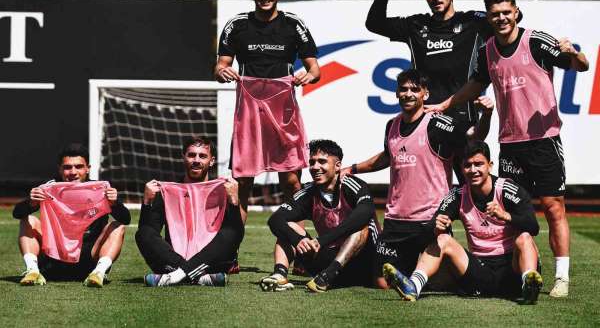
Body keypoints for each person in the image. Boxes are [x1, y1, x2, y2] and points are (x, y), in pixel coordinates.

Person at [428, 0, 589, 297]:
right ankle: (520, 272)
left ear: (516, 12)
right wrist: (446, 104)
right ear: (489, 18)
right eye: (495, 14)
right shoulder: (487, 50)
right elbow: (475, 85)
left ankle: (562, 278)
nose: (501, 18)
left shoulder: (536, 41)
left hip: (544, 140)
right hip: (510, 145)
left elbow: (580, 66)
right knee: (510, 211)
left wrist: (574, 53)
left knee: (553, 207)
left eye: (506, 12)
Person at [343, 69, 493, 282]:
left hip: (430, 220)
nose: (408, 94)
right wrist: (352, 168)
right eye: (403, 89)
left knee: (438, 282)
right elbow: (388, 156)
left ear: (425, 94)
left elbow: (475, 138)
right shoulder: (392, 125)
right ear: (396, 93)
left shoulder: (438, 125)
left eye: (415, 89)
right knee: (382, 282)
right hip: (395, 220)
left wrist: (486, 115)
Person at [365, 0, 516, 182]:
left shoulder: (472, 22)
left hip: (463, 118)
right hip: (426, 119)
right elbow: (374, 23)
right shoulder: (416, 25)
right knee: (427, 186)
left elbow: (511, 16)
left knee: (471, 187)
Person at [215, 0, 321, 222]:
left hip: (284, 112)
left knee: (292, 180)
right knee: (242, 182)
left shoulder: (293, 24)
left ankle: (297, 243)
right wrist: (222, 71)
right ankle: (232, 245)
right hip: (249, 113)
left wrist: (309, 76)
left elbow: (315, 69)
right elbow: (220, 67)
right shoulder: (236, 25)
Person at [383, 140, 543, 304]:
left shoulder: (508, 190)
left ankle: (529, 285)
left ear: (490, 166)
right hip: (480, 270)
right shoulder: (458, 195)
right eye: (467, 165)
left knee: (524, 237)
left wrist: (505, 216)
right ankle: (413, 286)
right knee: (443, 239)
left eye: (478, 164)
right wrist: (436, 228)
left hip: (512, 269)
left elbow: (533, 226)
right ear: (461, 168)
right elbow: (427, 233)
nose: (473, 170)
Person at [261, 139, 382, 293]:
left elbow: (365, 213)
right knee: (288, 227)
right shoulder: (308, 192)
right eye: (312, 162)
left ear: (337, 166)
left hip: (364, 262)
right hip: (326, 261)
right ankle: (279, 275)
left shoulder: (353, 185)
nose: (315, 167)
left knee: (361, 228)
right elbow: (275, 219)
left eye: (322, 162)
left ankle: (329, 275)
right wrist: (298, 240)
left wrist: (322, 240)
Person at [13, 143, 130, 287]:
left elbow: (126, 219)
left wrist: (114, 203)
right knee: (29, 220)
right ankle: (33, 271)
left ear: (88, 168)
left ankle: (99, 272)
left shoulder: (100, 189)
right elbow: (17, 213)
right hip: (54, 260)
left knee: (118, 226)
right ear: (60, 169)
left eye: (79, 166)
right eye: (67, 167)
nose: (73, 172)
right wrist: (31, 202)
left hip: (88, 262)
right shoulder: (49, 188)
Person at [136, 136, 244, 287]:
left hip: (211, 263)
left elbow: (236, 234)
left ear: (211, 161)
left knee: (231, 233)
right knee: (143, 233)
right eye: (192, 155)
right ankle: (199, 278)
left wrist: (234, 202)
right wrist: (147, 203)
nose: (196, 160)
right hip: (178, 262)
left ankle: (177, 276)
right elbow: (148, 232)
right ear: (183, 157)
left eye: (202, 156)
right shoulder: (168, 190)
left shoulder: (223, 189)